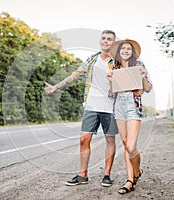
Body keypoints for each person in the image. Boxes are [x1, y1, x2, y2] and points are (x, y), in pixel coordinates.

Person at [44, 30, 118, 187]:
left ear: (113, 42)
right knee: (84, 139)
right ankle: (83, 175)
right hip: (91, 105)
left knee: (110, 139)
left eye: (109, 39)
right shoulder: (92, 59)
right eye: (103, 38)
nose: (105, 41)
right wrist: (55, 87)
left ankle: (107, 175)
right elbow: (74, 76)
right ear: (100, 41)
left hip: (110, 107)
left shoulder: (117, 62)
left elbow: (124, 84)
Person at [107, 39, 152, 194]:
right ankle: (131, 178)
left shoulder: (138, 65)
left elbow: (147, 88)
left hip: (133, 106)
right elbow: (112, 94)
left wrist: (144, 77)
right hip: (119, 106)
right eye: (123, 48)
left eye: (128, 49)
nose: (125, 51)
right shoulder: (115, 68)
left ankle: (135, 172)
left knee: (131, 146)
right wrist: (111, 81)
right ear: (118, 52)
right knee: (126, 144)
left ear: (132, 52)